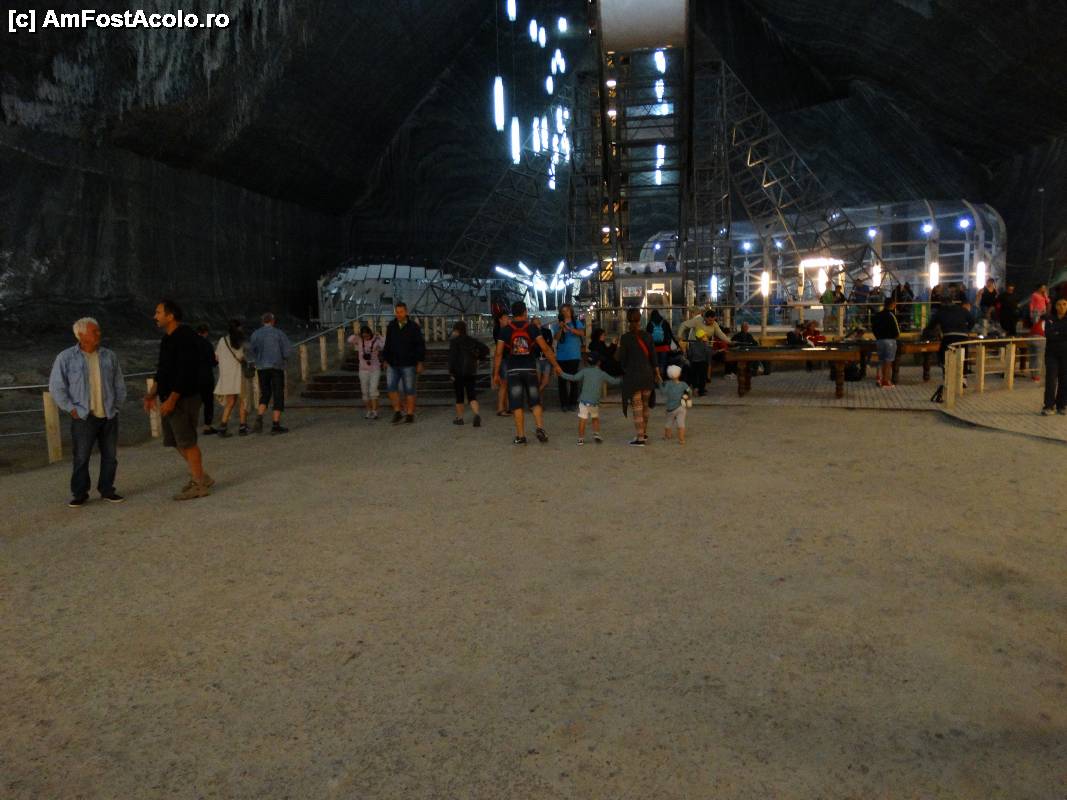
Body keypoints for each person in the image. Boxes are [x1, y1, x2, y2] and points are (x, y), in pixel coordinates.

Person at [48, 317, 127, 507]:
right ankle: (80, 493)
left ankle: (107, 490)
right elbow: (57, 386)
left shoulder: (109, 356)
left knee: (110, 457)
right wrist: (71, 409)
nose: (99, 333)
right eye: (94, 331)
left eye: (98, 330)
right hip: (84, 417)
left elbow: (119, 383)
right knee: (81, 457)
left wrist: (116, 406)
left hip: (108, 415)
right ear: (81, 335)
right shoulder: (65, 358)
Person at [144, 299, 213, 500]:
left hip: (184, 399)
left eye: (158, 312)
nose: (155, 316)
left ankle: (199, 485)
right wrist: (152, 393)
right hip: (168, 397)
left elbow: (185, 372)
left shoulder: (185, 338)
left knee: (187, 441)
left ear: (170, 315)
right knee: (176, 441)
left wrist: (172, 400)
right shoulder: (167, 339)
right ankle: (202, 477)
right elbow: (163, 370)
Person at [492, 301, 563, 444]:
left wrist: (496, 373)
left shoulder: (505, 330)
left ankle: (521, 436)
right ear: (525, 312)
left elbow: (498, 353)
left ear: (512, 313)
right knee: (535, 401)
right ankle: (540, 428)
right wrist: (556, 365)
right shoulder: (532, 328)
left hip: (513, 370)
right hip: (530, 369)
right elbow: (545, 348)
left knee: (517, 404)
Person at [616, 308, 661, 446]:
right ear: (640, 319)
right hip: (647, 375)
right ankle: (644, 433)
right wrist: (657, 372)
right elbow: (654, 356)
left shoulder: (625, 338)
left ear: (627, 320)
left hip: (633, 376)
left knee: (637, 407)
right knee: (645, 406)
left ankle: (640, 437)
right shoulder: (648, 336)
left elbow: (621, 359)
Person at [558, 352, 622, 444]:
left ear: (588, 362)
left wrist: (561, 373)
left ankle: (581, 439)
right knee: (595, 418)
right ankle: (596, 434)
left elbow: (574, 377)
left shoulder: (584, 371)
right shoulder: (602, 373)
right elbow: (614, 381)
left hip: (584, 401)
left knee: (582, 420)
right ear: (599, 362)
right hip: (594, 402)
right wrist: (625, 380)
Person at [381, 301, 426, 424]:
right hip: (393, 362)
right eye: (397, 312)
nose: (399, 314)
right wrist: (385, 359)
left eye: (401, 312)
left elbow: (420, 345)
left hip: (409, 363)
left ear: (406, 312)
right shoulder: (392, 326)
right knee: (391, 388)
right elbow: (388, 343)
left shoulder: (413, 327)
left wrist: (420, 361)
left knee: (409, 389)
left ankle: (410, 414)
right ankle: (397, 411)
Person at [248, 312, 294, 434]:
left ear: (263, 321)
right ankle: (275, 424)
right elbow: (287, 351)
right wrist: (284, 358)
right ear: (273, 321)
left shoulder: (255, 334)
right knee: (278, 394)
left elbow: (252, 351)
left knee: (265, 393)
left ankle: (259, 416)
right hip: (276, 367)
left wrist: (258, 359)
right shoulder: (279, 333)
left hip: (262, 368)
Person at [448, 320, 489, 426]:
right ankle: (476, 414)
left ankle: (460, 418)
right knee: (472, 395)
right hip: (471, 371)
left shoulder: (454, 342)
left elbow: (452, 358)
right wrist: (478, 357)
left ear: (456, 330)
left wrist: (451, 372)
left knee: (459, 396)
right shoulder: (472, 340)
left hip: (458, 372)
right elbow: (486, 349)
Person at [214, 319, 249, 437]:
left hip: (226, 376)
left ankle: (223, 427)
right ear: (238, 328)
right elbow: (240, 357)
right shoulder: (239, 341)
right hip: (238, 375)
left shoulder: (222, 340)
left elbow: (216, 357)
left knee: (230, 402)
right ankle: (242, 427)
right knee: (243, 400)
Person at [929, 299, 975, 382]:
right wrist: (967, 330)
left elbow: (931, 324)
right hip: (963, 336)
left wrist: (928, 333)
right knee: (963, 356)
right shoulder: (962, 310)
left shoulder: (941, 311)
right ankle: (963, 379)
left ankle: (947, 376)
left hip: (948, 336)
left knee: (943, 354)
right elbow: (972, 321)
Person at [554, 303, 585, 411]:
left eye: (567, 310)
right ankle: (564, 404)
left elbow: (581, 333)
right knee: (562, 381)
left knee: (573, 380)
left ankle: (573, 403)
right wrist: (561, 328)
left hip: (574, 355)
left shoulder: (576, 323)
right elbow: (556, 338)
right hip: (561, 356)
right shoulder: (558, 324)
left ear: (571, 311)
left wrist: (570, 329)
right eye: (563, 311)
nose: (565, 312)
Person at [349, 325, 384, 419]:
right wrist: (356, 335)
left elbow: (384, 345)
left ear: (370, 333)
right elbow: (350, 340)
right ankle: (369, 411)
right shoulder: (360, 340)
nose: (366, 338)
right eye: (364, 336)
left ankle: (375, 411)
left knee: (373, 390)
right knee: (364, 392)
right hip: (363, 370)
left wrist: (379, 336)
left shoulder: (375, 340)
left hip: (375, 369)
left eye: (367, 336)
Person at [1041, 297, 1067, 415]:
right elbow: (1048, 334)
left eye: (1064, 304)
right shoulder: (1049, 319)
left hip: (1065, 354)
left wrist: (1057, 333)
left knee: (1064, 380)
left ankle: (1062, 405)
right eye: (1059, 304)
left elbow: (1056, 334)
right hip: (1051, 355)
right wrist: (1060, 334)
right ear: (1055, 306)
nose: (1062, 307)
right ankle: (1049, 406)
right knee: (1051, 380)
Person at [871, 298, 901, 388]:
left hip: (879, 340)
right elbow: (897, 332)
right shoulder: (891, 315)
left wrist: (878, 337)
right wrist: (895, 337)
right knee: (888, 361)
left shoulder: (877, 315)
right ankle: (886, 381)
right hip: (890, 341)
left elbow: (873, 328)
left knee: (881, 360)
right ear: (893, 305)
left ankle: (879, 378)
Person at [195, 324, 219, 435]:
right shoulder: (207, 344)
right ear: (206, 332)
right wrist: (216, 360)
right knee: (208, 402)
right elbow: (213, 362)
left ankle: (189, 426)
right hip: (206, 377)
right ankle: (207, 426)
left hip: (192, 378)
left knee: (193, 403)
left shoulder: (189, 344)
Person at [661, 364, 690, 445]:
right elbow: (689, 391)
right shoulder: (683, 384)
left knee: (669, 422)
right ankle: (681, 439)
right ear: (679, 374)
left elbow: (663, 392)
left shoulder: (668, 384)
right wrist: (686, 398)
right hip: (681, 407)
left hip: (670, 408)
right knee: (681, 423)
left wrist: (660, 384)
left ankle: (667, 436)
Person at [646, 309, 677, 376]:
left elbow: (647, 337)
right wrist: (677, 345)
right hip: (664, 348)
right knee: (663, 364)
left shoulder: (650, 324)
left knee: (655, 365)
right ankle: (662, 378)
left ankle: (656, 378)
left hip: (654, 348)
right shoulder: (665, 323)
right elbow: (671, 334)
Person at [492, 310, 511, 416]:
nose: (508, 319)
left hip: (505, 358)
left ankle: (507, 407)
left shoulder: (502, 330)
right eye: (506, 318)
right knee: (504, 384)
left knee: (506, 384)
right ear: (500, 320)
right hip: (503, 359)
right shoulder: (499, 331)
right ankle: (501, 408)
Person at [531, 317, 555, 393]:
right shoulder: (530, 333)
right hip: (536, 358)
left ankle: (536, 394)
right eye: (535, 324)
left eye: (538, 323)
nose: (537, 325)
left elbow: (549, 344)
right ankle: (537, 397)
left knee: (546, 381)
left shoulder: (547, 331)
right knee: (537, 381)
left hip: (546, 358)